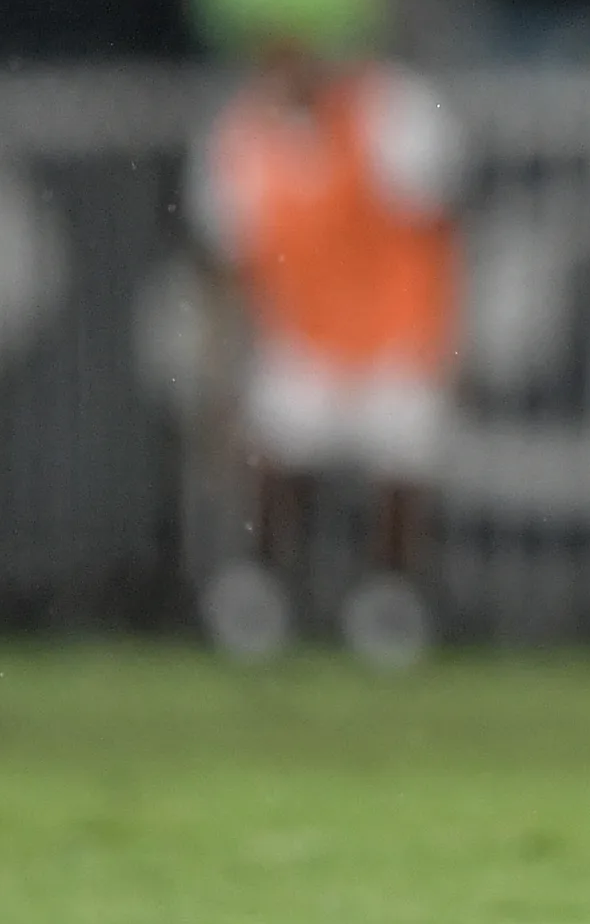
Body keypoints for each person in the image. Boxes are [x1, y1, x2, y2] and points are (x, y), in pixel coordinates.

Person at [191, 35, 460, 667]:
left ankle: (391, 600)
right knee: (277, 462)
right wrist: (221, 372)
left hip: (397, 331)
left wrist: (449, 342)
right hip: (301, 334)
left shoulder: (390, 112)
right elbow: (226, 265)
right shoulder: (238, 138)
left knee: (401, 464)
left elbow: (442, 225)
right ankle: (260, 595)